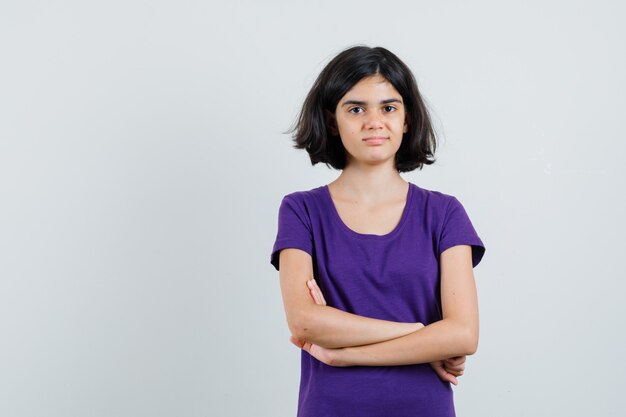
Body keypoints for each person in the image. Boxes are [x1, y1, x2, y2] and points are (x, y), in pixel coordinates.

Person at [269, 45, 486, 417]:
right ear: (332, 121)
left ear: (406, 119)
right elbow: (305, 321)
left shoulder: (444, 213)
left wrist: (342, 354)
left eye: (388, 107)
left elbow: (462, 335)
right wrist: (421, 333)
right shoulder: (301, 210)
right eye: (356, 109)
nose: (374, 121)